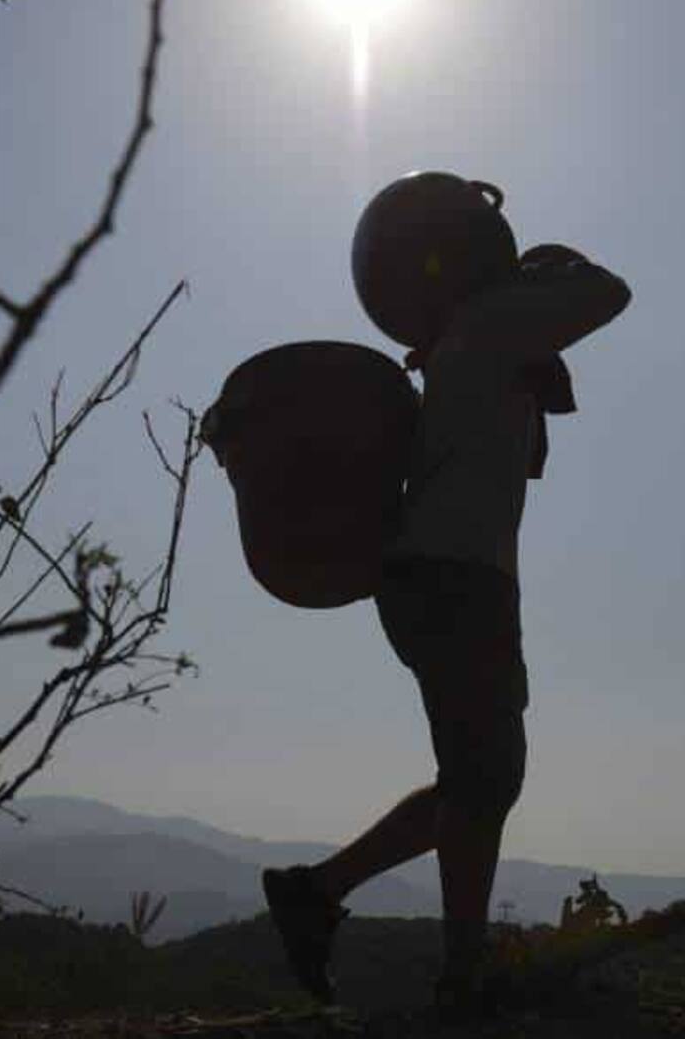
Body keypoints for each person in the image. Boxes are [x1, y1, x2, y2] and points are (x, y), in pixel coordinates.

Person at [262, 200, 631, 1020]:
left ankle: (324, 896)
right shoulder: (494, 320)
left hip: (450, 579)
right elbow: (610, 292)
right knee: (484, 776)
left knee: (479, 778)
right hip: (455, 578)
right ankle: (452, 969)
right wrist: (546, 269)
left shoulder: (469, 341)